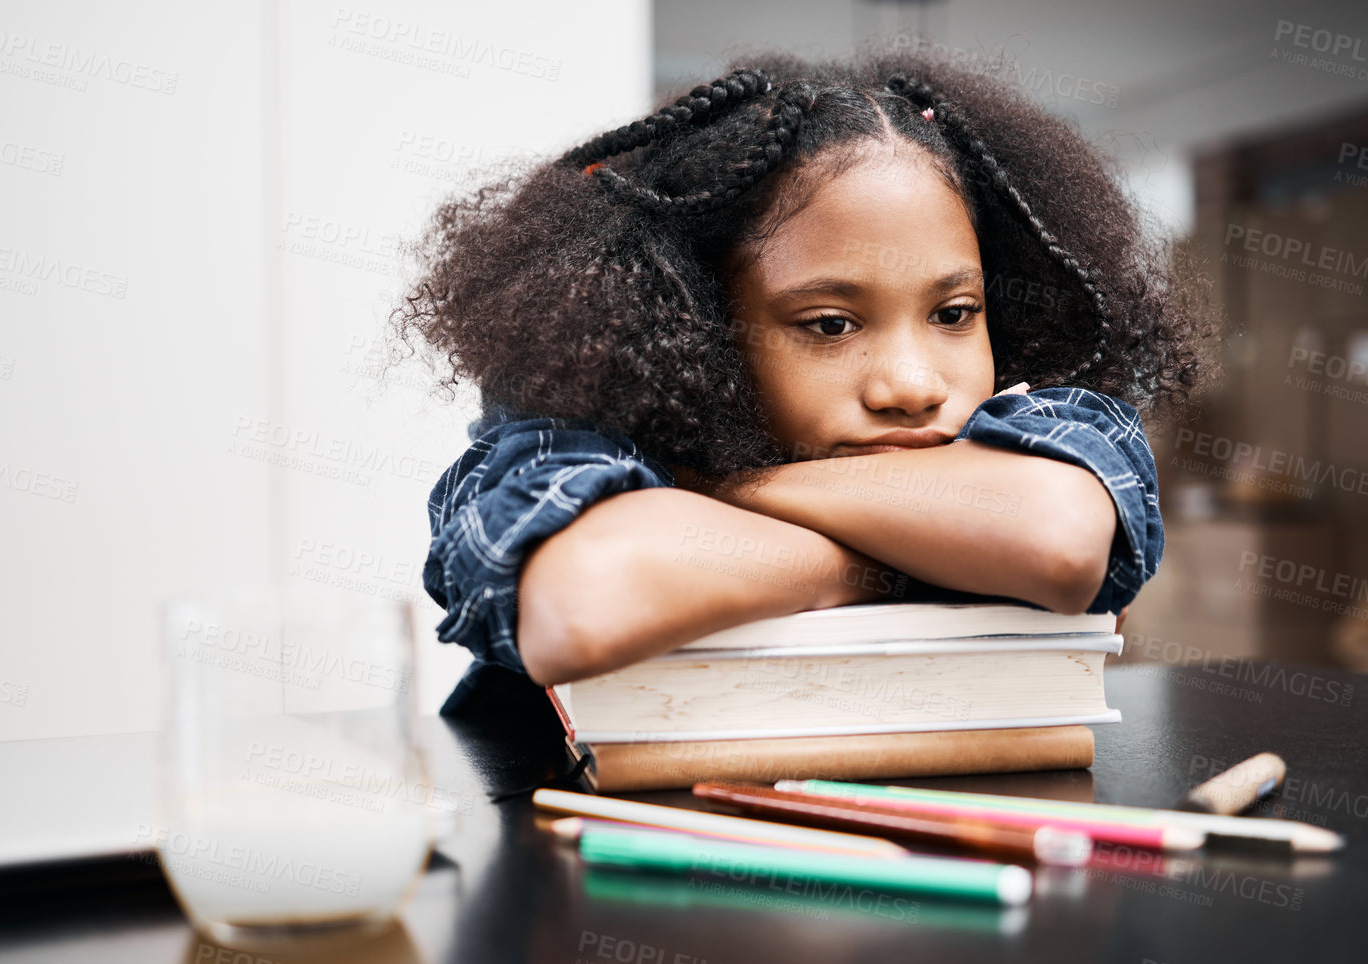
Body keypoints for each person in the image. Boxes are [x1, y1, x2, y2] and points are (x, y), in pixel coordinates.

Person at [397, 50, 1205, 715]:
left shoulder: (1047, 422)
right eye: (829, 325)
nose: (912, 384)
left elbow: (1056, 542)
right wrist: (898, 558)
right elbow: (582, 599)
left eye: (954, 314)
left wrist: (717, 488)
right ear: (696, 326)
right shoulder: (568, 435)